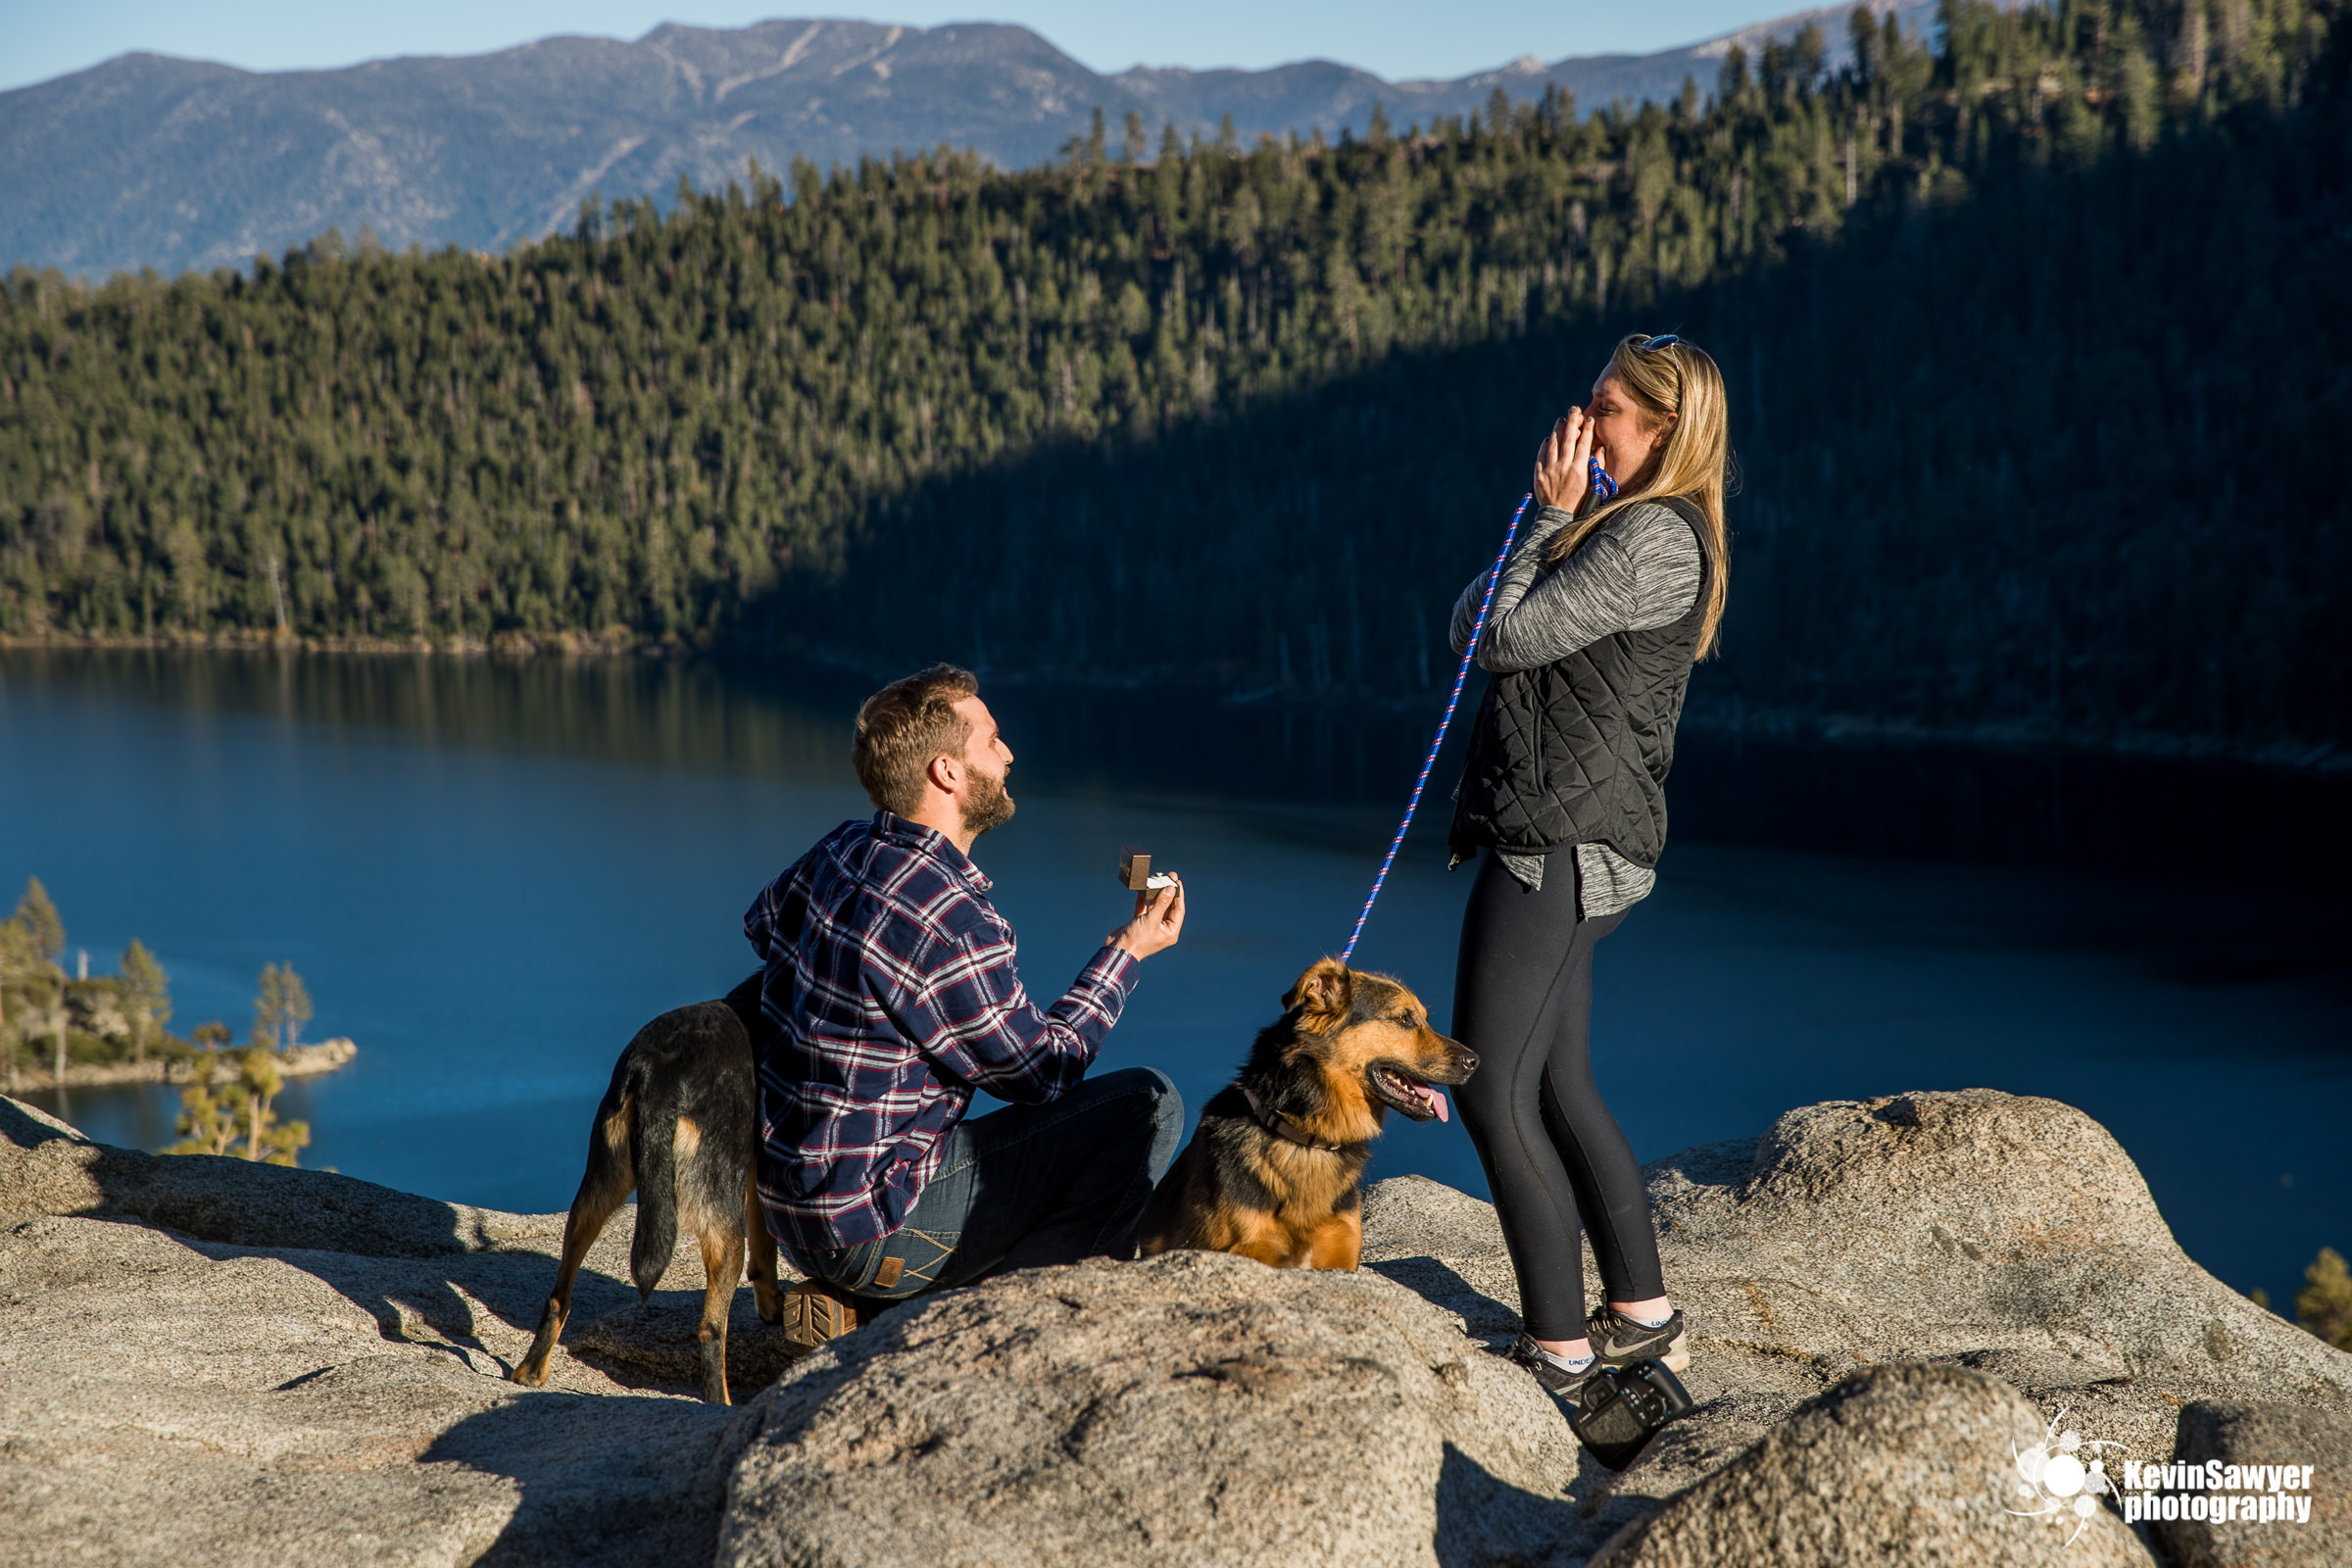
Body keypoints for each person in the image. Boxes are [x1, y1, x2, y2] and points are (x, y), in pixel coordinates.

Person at [1444, 332, 1731, 1402]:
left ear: (1664, 429)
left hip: (1560, 842)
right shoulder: (1623, 526)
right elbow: (1475, 620)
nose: (1584, 420)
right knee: (1558, 1083)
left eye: (1607, 408)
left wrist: (1555, 515)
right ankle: (1644, 1315)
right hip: (1566, 832)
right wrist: (1551, 519)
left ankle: (1560, 1348)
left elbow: (1502, 644)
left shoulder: (1653, 537)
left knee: (1488, 1091)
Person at [745, 662, 1187, 1353]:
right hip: (874, 1226)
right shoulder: (949, 917)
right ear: (947, 772)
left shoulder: (841, 849)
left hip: (792, 1214)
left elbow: (763, 927)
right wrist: (1126, 952)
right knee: (1148, 1104)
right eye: (992, 741)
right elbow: (1042, 1075)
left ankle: (866, 1302)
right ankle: (1016, 1329)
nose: (1008, 754)